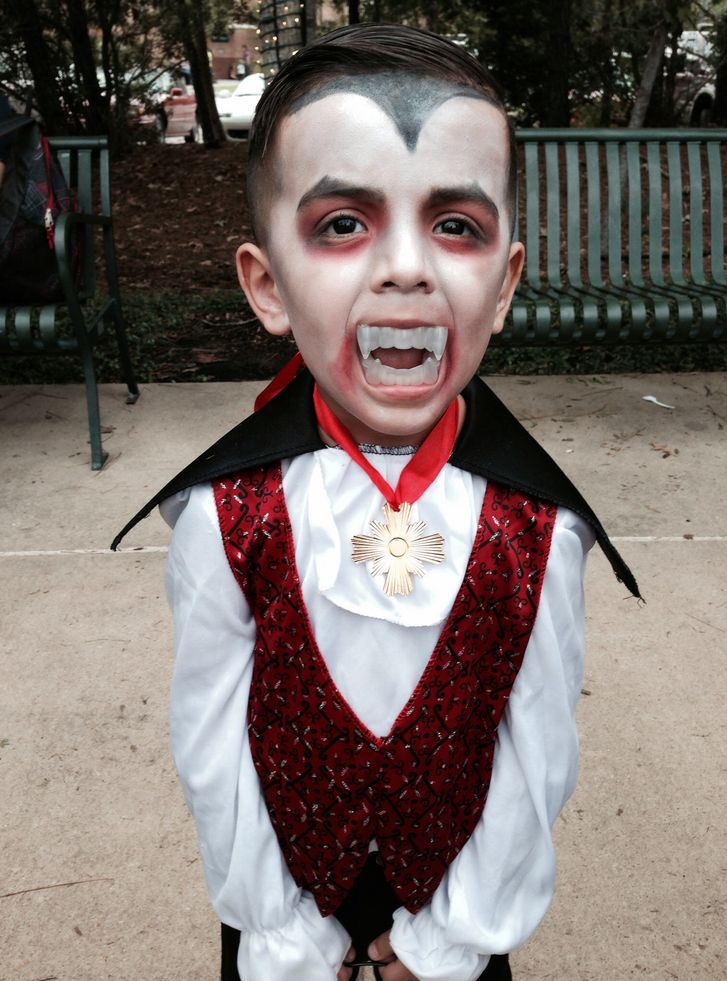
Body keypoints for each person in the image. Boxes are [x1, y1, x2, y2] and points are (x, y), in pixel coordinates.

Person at [112, 23, 639, 981]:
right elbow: (212, 740)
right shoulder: (224, 518)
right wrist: (281, 931)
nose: (406, 266)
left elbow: (535, 753)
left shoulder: (539, 531)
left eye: (457, 225)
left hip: (453, 933)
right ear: (268, 285)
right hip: (283, 928)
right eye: (343, 224)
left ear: (506, 279)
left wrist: (454, 935)